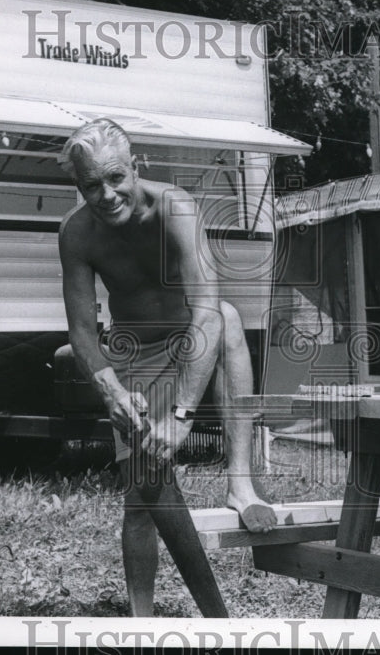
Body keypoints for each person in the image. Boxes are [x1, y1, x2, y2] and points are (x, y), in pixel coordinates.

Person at [57, 118, 277, 617]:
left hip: (191, 336)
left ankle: (240, 482)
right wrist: (111, 389)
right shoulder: (74, 234)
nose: (106, 194)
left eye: (115, 177)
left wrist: (180, 416)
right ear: (78, 186)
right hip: (134, 351)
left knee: (226, 317)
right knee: (142, 494)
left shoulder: (174, 206)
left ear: (136, 167)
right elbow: (82, 334)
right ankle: (143, 620)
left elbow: (204, 306)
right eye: (91, 185)